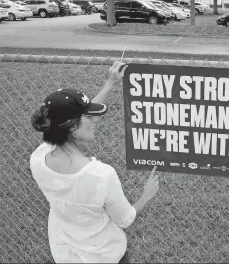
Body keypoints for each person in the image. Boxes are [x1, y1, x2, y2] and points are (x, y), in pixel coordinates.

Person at [30, 61, 159, 263]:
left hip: (66, 255)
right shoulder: (101, 176)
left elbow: (72, 119)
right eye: (88, 117)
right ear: (72, 127)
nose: (94, 120)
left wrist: (110, 84)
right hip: (106, 257)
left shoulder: (38, 159)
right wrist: (145, 195)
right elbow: (126, 219)